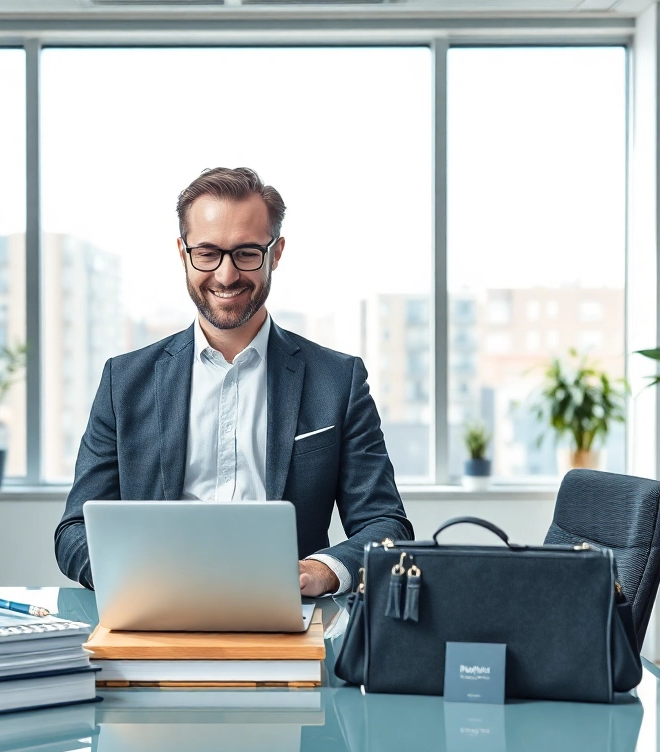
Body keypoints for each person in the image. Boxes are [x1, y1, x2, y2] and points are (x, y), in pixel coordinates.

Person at [54, 167, 412, 596]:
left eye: (246, 253)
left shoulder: (338, 381)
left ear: (275, 253)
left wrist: (323, 570)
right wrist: (133, 575)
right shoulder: (124, 381)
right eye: (207, 253)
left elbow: (386, 525)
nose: (225, 276)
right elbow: (73, 530)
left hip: (286, 611)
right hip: (153, 608)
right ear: (183, 252)